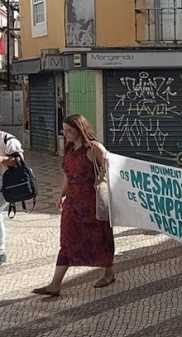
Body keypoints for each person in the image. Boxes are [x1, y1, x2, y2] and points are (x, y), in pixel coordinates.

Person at [32, 115, 115, 296]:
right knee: (67, 241)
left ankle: (108, 273)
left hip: (93, 203)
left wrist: (101, 179)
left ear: (80, 129)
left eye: (69, 130)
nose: (66, 134)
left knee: (100, 238)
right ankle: (55, 284)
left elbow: (111, 169)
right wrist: (61, 195)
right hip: (73, 204)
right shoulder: (69, 149)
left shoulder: (93, 148)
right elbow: (67, 176)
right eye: (64, 130)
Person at [0, 131, 24, 265]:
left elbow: (19, 160)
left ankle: (1, 251)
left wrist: (3, 159)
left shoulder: (7, 139)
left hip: (5, 184)